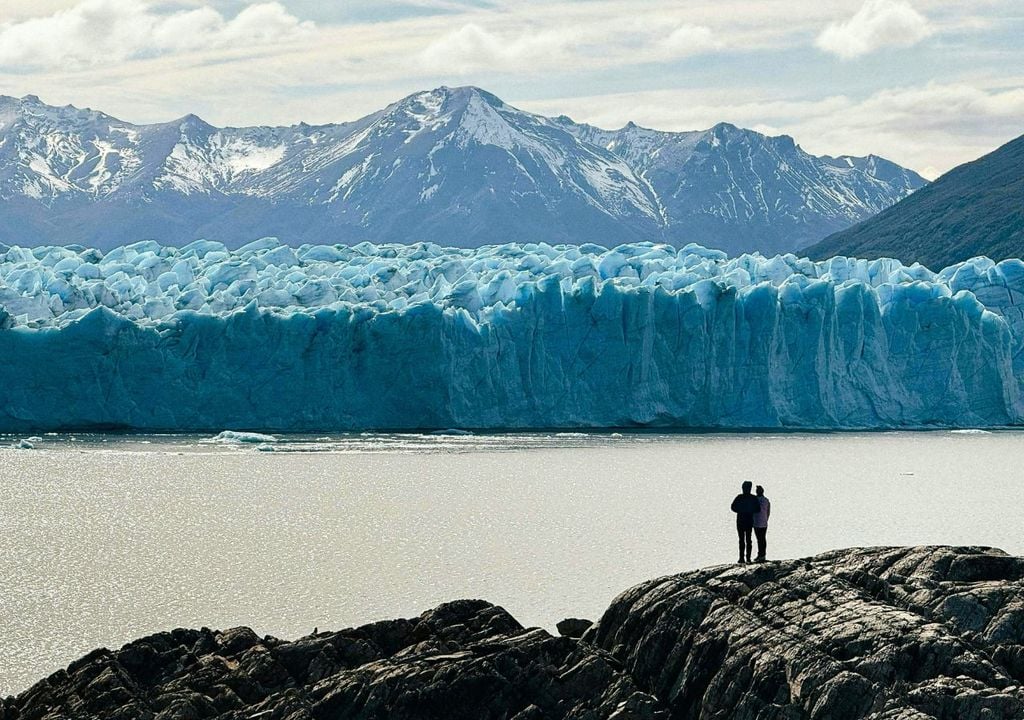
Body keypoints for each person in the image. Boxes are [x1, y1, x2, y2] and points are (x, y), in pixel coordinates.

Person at [730, 481, 760, 563]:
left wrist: (741, 510)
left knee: (743, 540)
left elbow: (733, 507)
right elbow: (758, 509)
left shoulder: (740, 497)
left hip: (742, 520)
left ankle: (743, 558)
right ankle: (746, 558)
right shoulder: (752, 498)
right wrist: (749, 511)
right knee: (747, 539)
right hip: (748, 520)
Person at [753, 485, 771, 563]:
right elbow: (768, 511)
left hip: (756, 522)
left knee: (759, 539)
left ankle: (760, 555)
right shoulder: (766, 500)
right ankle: (762, 555)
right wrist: (766, 519)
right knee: (762, 539)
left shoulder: (755, 500)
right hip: (764, 522)